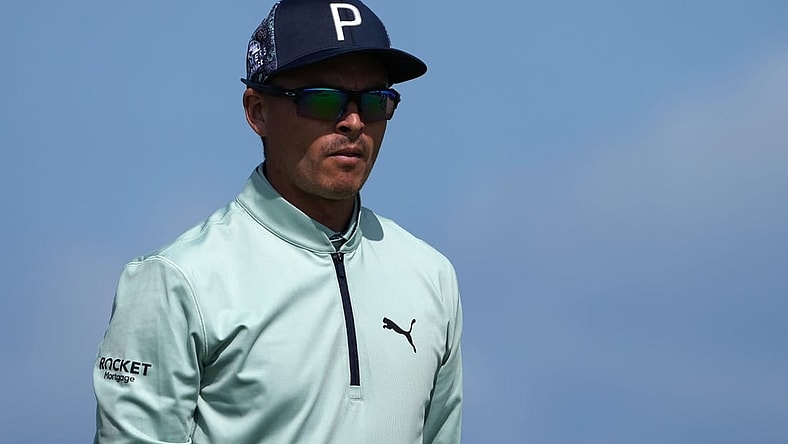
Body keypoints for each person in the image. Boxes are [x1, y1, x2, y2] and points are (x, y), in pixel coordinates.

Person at [92, 0, 463, 443]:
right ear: (257, 111)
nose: (352, 121)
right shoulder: (177, 281)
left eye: (375, 101)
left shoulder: (431, 276)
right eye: (322, 99)